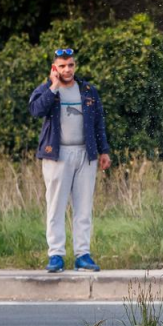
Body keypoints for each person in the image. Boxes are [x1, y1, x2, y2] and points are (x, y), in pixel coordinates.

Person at [28, 48, 111, 272]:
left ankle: (82, 254)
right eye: (62, 66)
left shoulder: (87, 90)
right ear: (55, 68)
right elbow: (35, 110)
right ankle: (55, 255)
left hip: (86, 154)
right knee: (56, 206)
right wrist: (53, 86)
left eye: (71, 65)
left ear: (75, 66)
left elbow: (98, 123)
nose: (67, 69)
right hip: (57, 155)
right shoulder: (47, 90)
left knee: (83, 207)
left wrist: (104, 151)